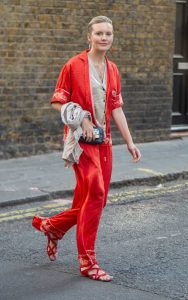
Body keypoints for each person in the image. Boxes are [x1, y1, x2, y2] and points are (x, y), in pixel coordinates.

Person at [32, 16, 141, 282]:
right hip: (81, 143)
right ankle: (87, 262)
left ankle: (53, 226)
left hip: (104, 143)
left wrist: (129, 141)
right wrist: (81, 116)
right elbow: (58, 101)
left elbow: (116, 108)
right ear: (89, 37)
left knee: (94, 200)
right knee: (97, 193)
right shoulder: (73, 65)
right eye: (99, 33)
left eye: (109, 34)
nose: (104, 38)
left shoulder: (113, 69)